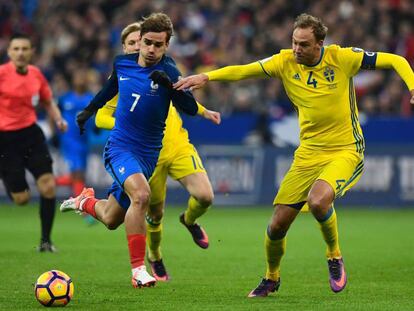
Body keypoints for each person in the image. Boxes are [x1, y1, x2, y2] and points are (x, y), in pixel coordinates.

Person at [174, 13, 414, 297]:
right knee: (276, 225)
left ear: (319, 44)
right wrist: (206, 76)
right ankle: (271, 278)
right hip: (308, 153)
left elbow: (396, 60)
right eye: (294, 42)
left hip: (345, 149)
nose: (296, 49)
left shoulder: (342, 58)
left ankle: (334, 256)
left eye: (303, 44)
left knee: (318, 200)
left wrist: (412, 86)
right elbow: (244, 70)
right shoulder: (284, 62)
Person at [64, 13, 200, 288]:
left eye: (157, 45)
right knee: (142, 196)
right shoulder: (122, 64)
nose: (150, 49)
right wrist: (89, 110)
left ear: (166, 46)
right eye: (147, 42)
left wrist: (170, 87)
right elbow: (108, 89)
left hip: (148, 155)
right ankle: (138, 270)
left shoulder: (170, 71)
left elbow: (190, 108)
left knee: (111, 218)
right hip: (121, 147)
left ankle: (84, 202)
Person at [92, 22, 220, 280]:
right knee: (153, 213)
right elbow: (100, 116)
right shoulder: (122, 79)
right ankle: (155, 256)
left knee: (205, 196)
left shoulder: (164, 68)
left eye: (147, 42)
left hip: (178, 146)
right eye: (135, 43)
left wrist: (205, 111)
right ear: (126, 48)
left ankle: (190, 220)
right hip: (148, 156)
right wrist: (128, 122)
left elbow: (181, 94)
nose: (142, 47)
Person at [0, 33, 68, 252]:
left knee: (48, 185)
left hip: (30, 134)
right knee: (21, 199)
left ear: (31, 52)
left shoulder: (37, 75)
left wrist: (58, 118)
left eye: (24, 48)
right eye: (16, 49)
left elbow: (48, 102)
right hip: (5, 139)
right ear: (9, 52)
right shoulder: (1, 74)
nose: (20, 53)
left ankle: (46, 241)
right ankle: (9, 177)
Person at [56, 70, 94, 197]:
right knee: (78, 173)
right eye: (78, 77)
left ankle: (50, 182)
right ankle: (82, 207)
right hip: (69, 140)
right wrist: (55, 131)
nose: (81, 80)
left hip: (84, 140)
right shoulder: (65, 98)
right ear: (73, 80)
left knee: (80, 175)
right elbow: (54, 113)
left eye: (83, 77)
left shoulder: (91, 98)